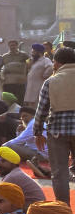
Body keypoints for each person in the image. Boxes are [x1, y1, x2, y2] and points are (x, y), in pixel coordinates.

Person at [32, 46, 75, 205]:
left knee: (59, 173)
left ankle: (63, 210)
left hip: (57, 131)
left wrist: (37, 132)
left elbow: (41, 111)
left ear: (57, 63)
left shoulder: (51, 81)